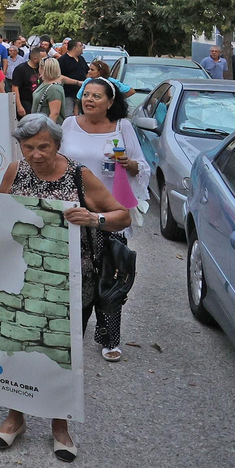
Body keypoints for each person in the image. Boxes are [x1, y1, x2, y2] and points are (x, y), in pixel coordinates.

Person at [0, 114, 129, 462]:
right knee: (16, 343)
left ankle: (60, 426)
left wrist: (94, 218)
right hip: (23, 277)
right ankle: (15, 418)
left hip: (72, 282)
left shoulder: (79, 176)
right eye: (28, 147)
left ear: (57, 144)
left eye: (44, 146)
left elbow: (123, 215)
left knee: (62, 353)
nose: (36, 154)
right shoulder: (16, 171)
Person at [61, 78, 146, 361]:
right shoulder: (69, 125)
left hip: (111, 212)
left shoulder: (123, 128)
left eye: (97, 96)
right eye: (86, 95)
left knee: (110, 274)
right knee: (74, 275)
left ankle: (110, 337)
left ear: (110, 102)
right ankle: (70, 333)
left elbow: (141, 167)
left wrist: (129, 165)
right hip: (74, 211)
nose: (89, 100)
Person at [31, 58, 68, 123]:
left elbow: (54, 113)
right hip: (39, 124)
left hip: (46, 128)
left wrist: (47, 131)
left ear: (43, 68)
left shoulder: (54, 88)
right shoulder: (45, 83)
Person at [9, 47, 41, 116]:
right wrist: (19, 105)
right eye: (43, 58)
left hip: (39, 102)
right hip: (25, 102)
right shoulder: (20, 69)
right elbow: (15, 88)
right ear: (35, 59)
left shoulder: (42, 68)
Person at [58, 40, 90, 105]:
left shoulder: (81, 59)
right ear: (75, 48)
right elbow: (59, 77)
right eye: (81, 46)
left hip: (82, 94)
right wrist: (77, 82)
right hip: (68, 95)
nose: (82, 48)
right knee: (69, 113)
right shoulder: (62, 60)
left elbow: (87, 72)